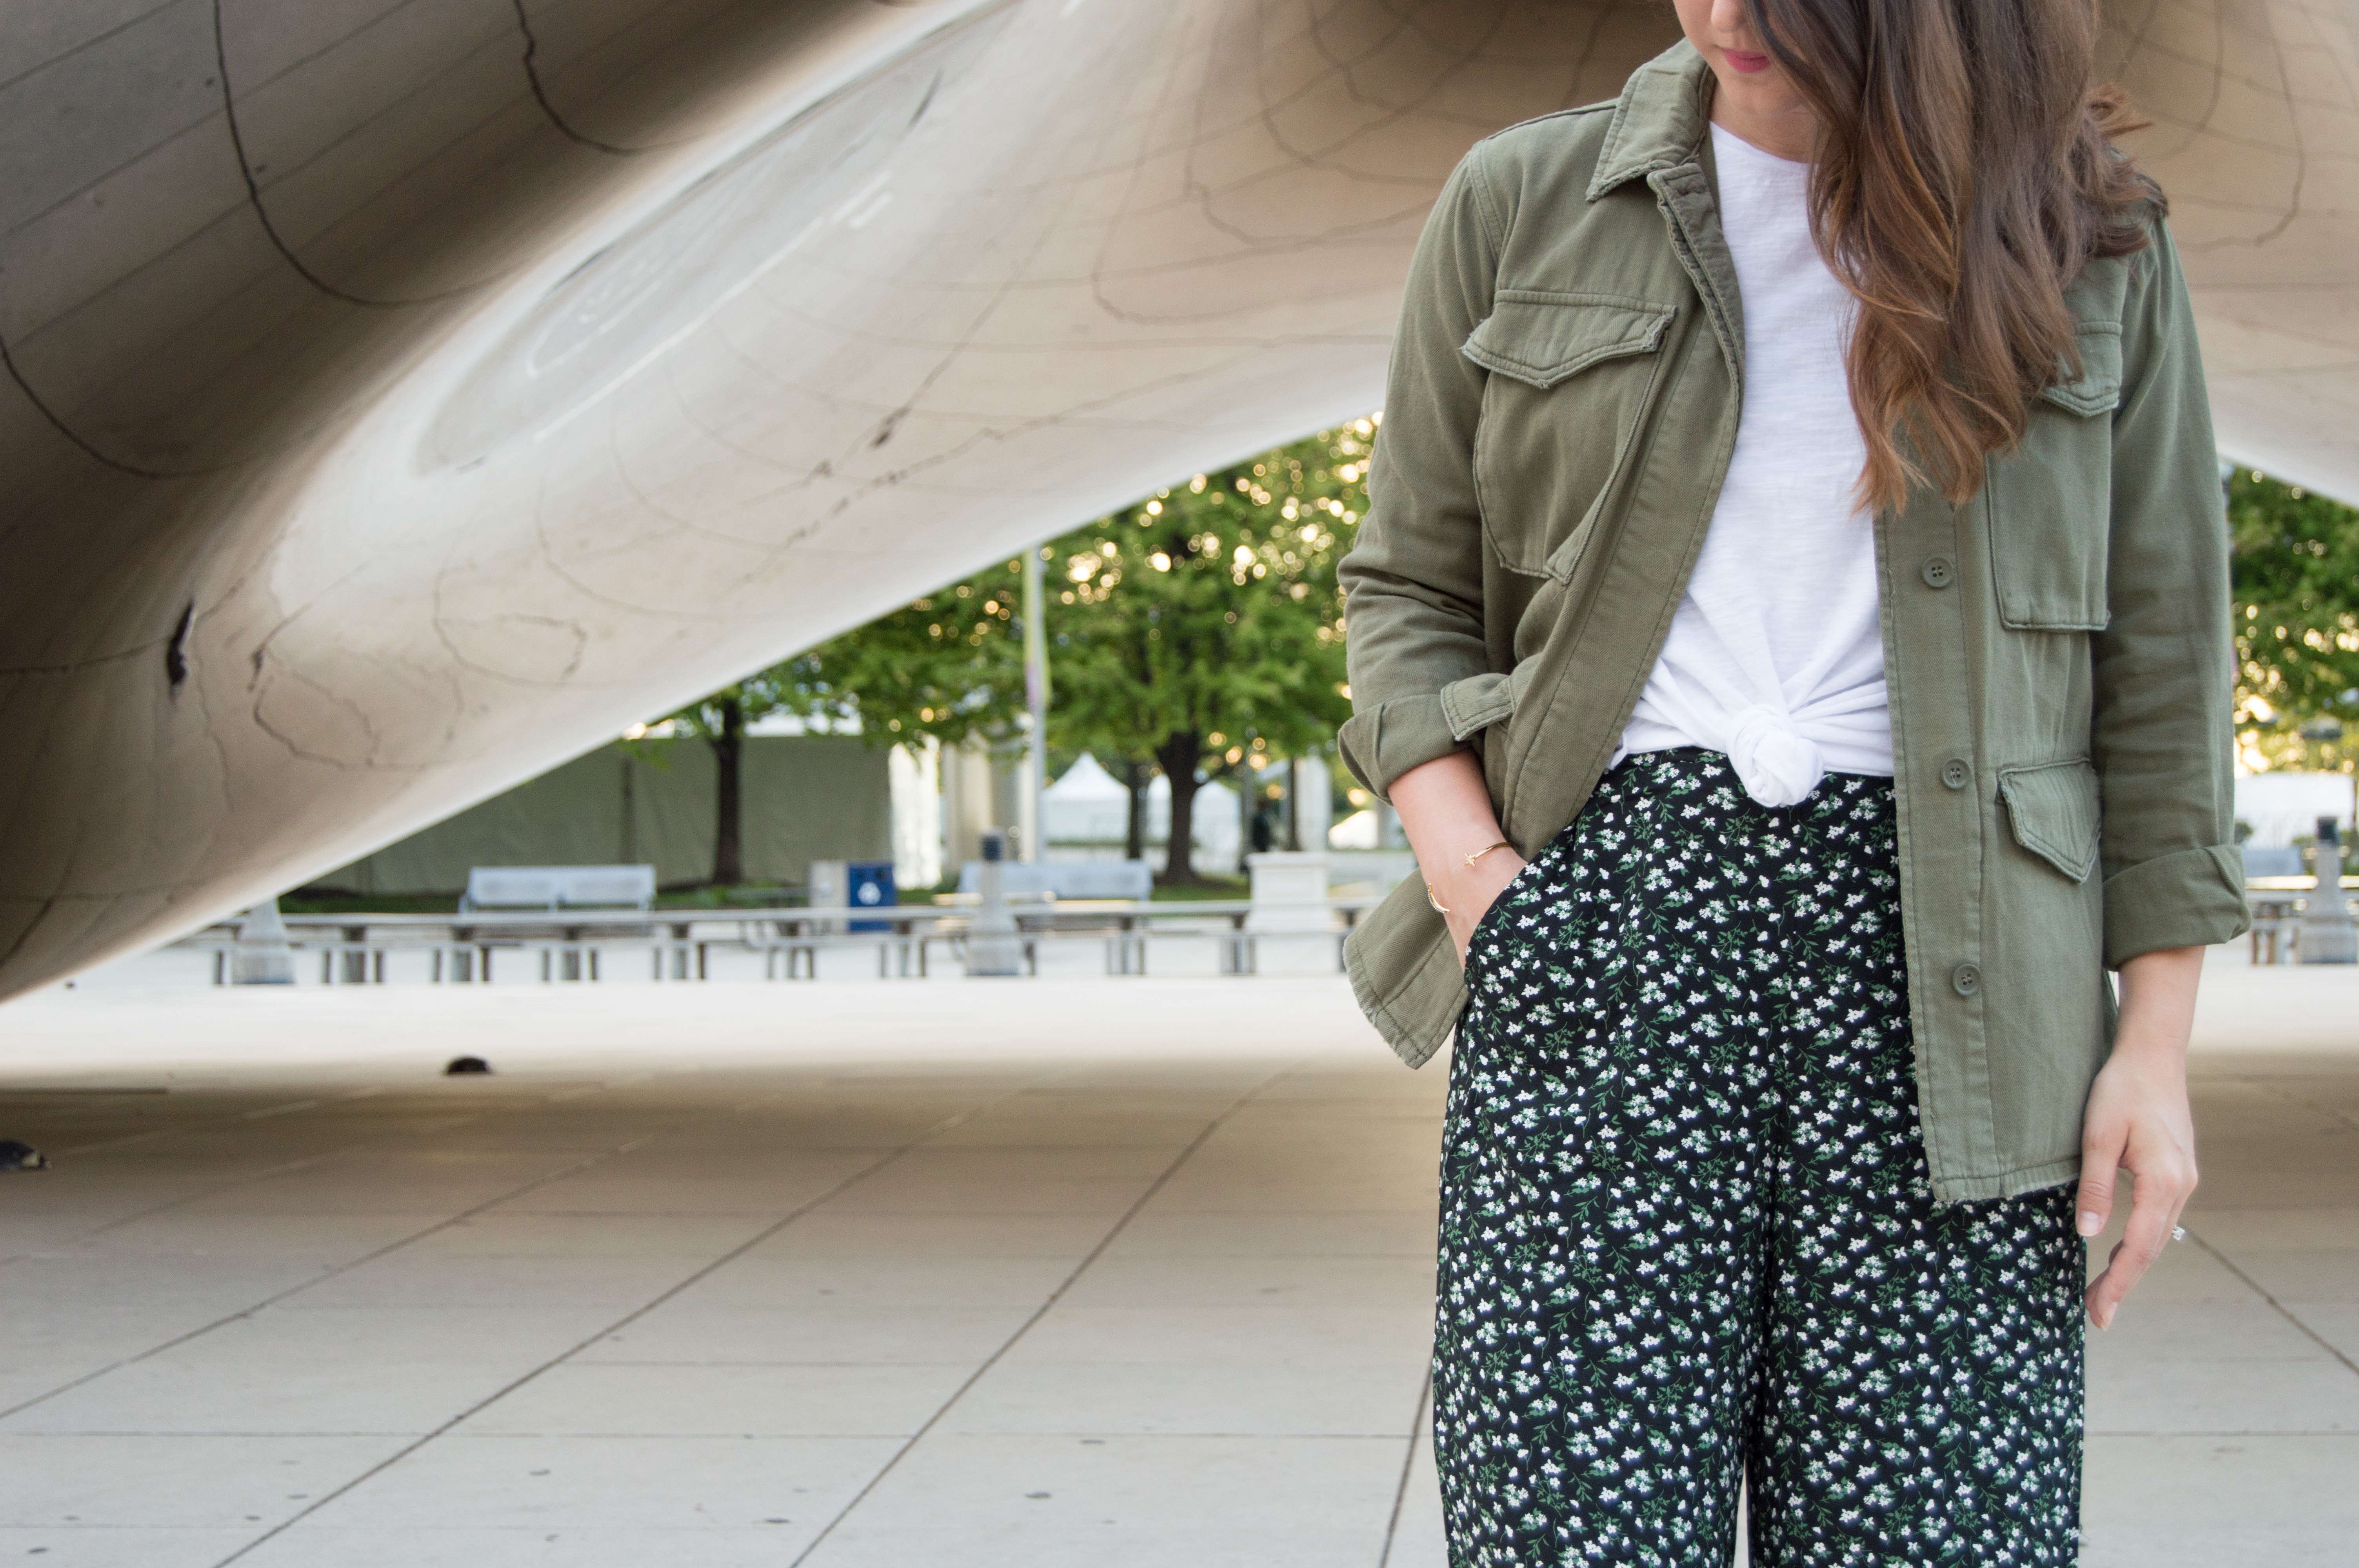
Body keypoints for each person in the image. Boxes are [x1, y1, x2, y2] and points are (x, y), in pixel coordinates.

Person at [1334, 0, 2247, 1561]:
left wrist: (2152, 1048)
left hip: (1958, 995)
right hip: (1606, 942)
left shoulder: (2088, 239)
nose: (1726, 15)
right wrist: (1480, 885)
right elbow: (1404, 589)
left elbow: (2163, 668)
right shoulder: (1521, 201)